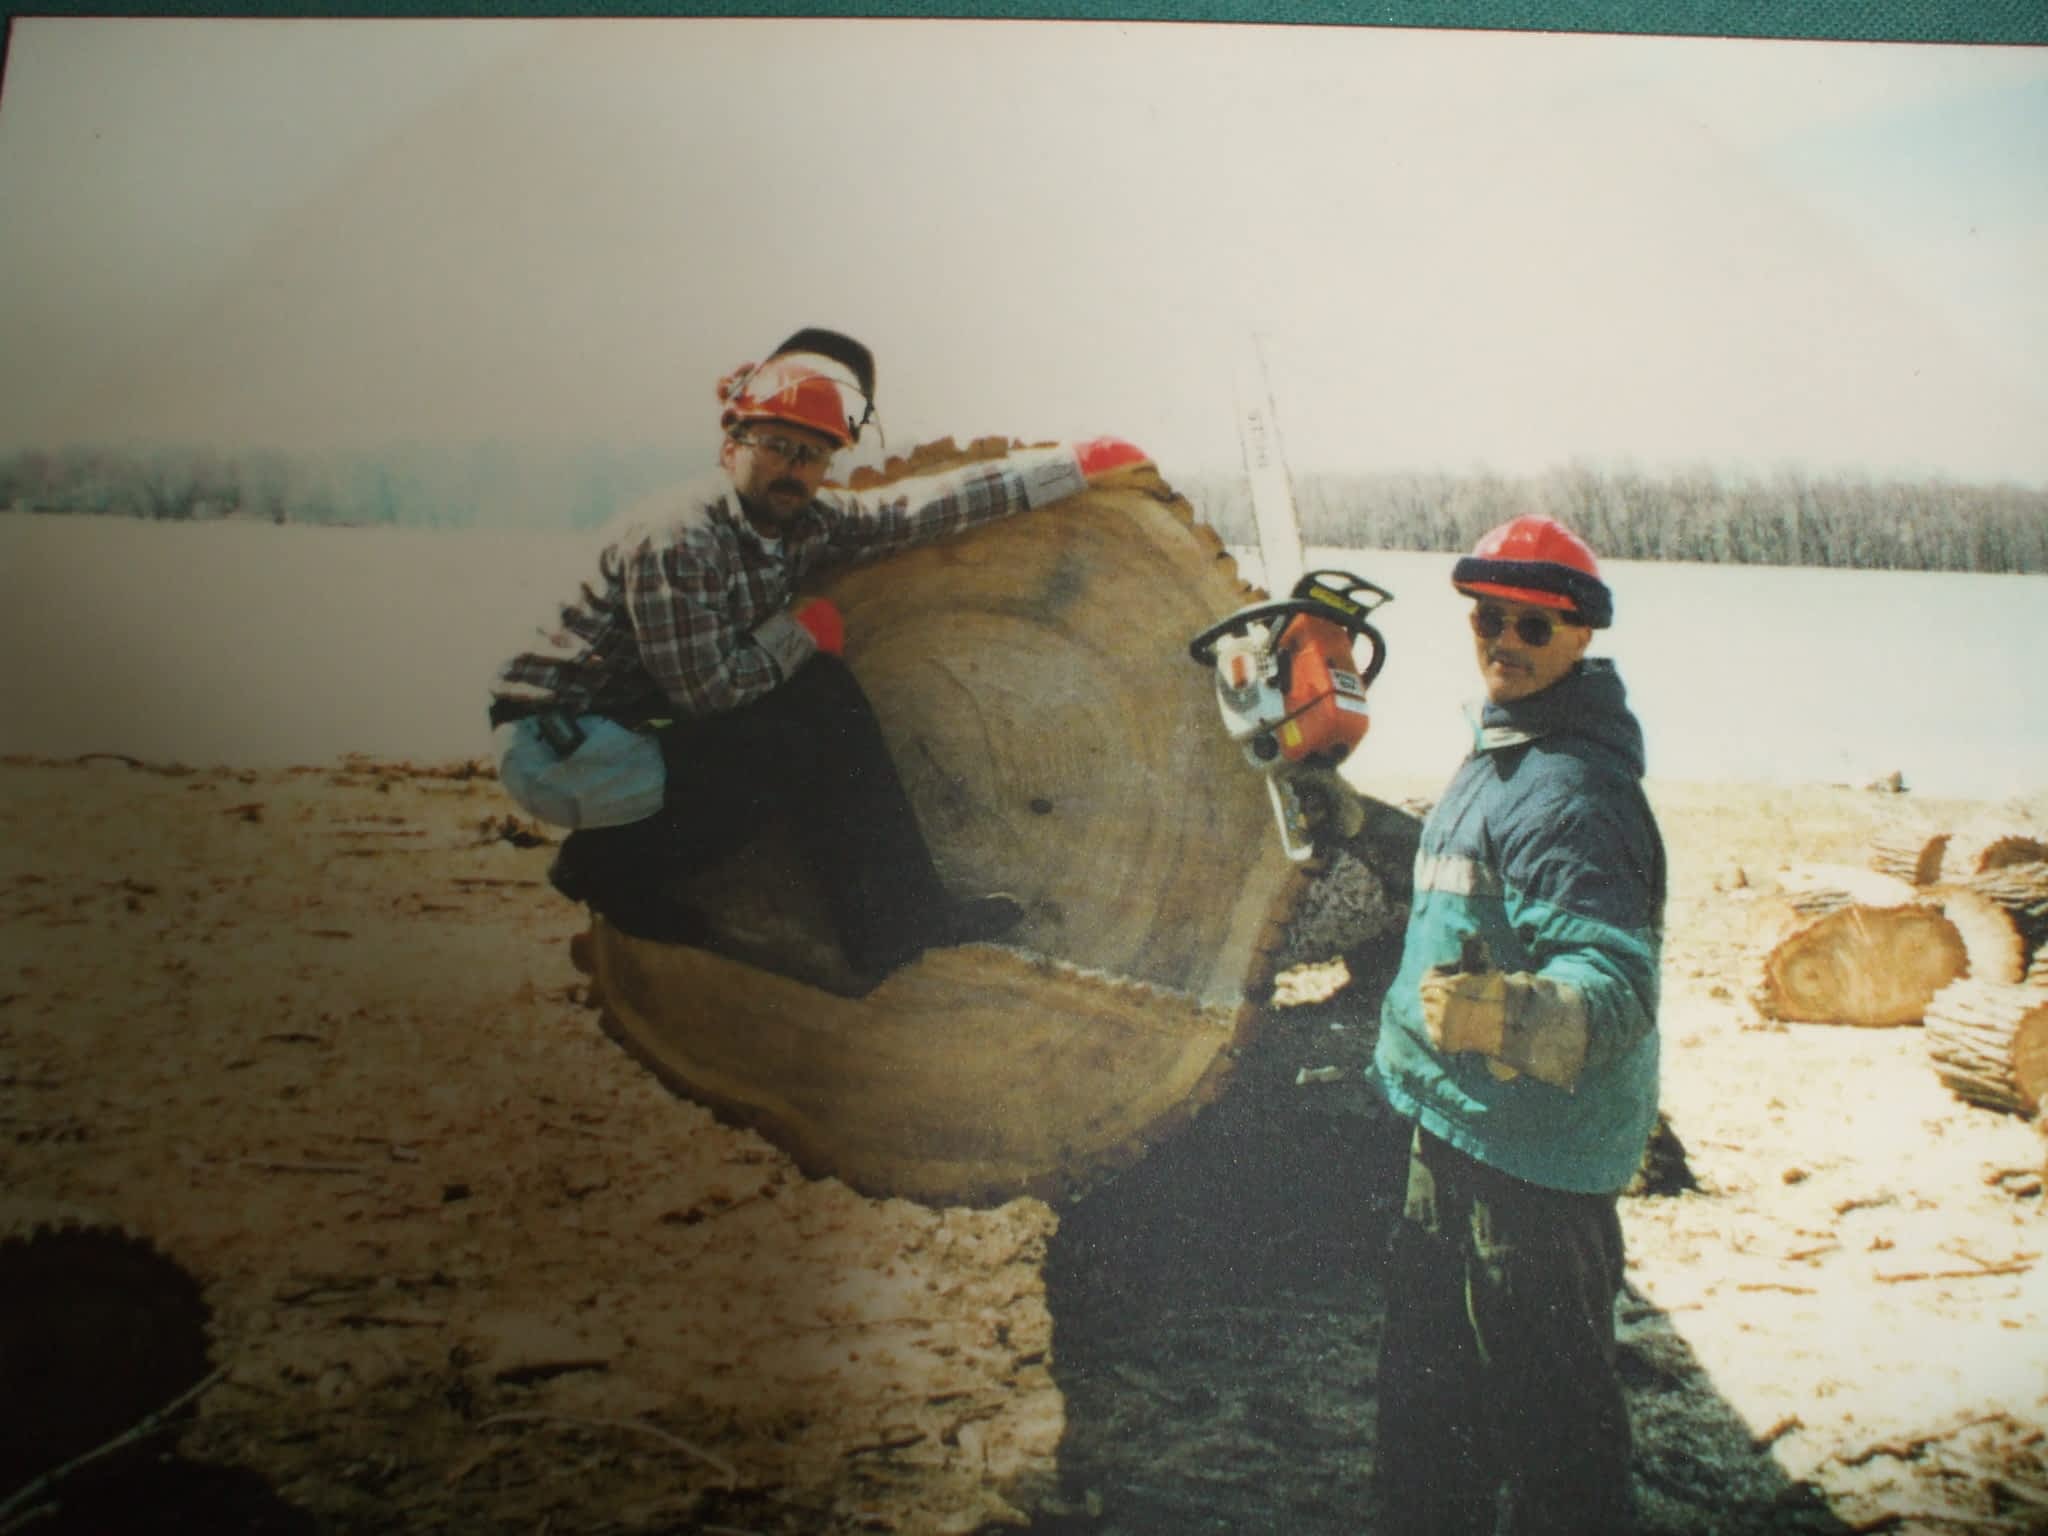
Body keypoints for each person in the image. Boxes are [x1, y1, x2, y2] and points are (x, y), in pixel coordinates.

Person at [486, 326, 1147, 977]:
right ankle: (604, 866)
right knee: (779, 751)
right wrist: (799, 633)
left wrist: (1072, 466)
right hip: (558, 745)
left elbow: (918, 508)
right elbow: (706, 695)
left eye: (812, 455)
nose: (792, 469)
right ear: (730, 446)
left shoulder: (804, 523)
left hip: (627, 732)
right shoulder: (680, 539)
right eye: (776, 446)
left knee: (821, 694)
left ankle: (896, 925)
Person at [1368, 513, 1666, 1534]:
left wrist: (1517, 1012)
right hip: (1456, 1124)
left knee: (1550, 1419)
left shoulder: (1574, 790)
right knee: (1432, 1388)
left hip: (1530, 1160)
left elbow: (1616, 981)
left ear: (1581, 636)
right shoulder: (1506, 748)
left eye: (1532, 628)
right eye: (1487, 619)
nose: (1503, 641)